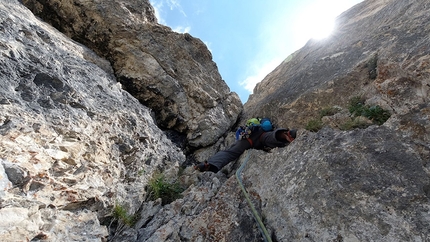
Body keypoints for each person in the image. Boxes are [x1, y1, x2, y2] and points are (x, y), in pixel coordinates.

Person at [194, 119, 297, 173]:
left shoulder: (252, 124)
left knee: (231, 152)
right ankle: (285, 134)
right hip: (261, 137)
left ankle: (209, 164)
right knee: (269, 138)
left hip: (248, 140)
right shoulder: (263, 122)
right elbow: (268, 127)